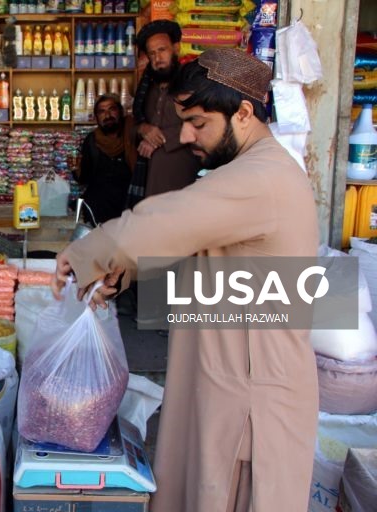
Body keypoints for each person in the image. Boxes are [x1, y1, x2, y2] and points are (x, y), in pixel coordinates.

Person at [51, 48, 318, 512]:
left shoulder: (265, 176)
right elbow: (198, 243)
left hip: (251, 398)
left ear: (245, 113)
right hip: (223, 373)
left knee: (223, 493)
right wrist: (125, 270)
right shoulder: (247, 171)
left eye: (198, 122)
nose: (186, 135)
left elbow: (171, 219)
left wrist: (88, 253)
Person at [133, 20, 201, 199]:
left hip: (181, 175)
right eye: (152, 53)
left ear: (176, 48)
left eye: (162, 50)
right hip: (149, 177)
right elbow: (136, 122)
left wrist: (159, 138)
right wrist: (143, 129)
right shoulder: (148, 88)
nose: (157, 58)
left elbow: (201, 122)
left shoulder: (190, 82)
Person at [75, 94, 134, 225]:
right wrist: (76, 168)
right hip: (99, 208)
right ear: (96, 117)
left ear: (120, 112)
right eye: (102, 112)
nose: (107, 115)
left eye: (111, 109)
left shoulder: (132, 136)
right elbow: (84, 178)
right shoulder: (92, 141)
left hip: (127, 206)